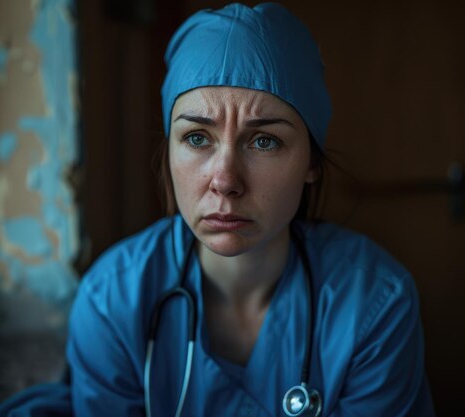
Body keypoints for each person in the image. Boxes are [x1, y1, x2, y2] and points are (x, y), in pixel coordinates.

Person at [65, 3, 435, 417]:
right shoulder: (112, 301)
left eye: (264, 142)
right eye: (197, 138)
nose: (225, 181)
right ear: (168, 149)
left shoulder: (374, 304)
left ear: (311, 163)